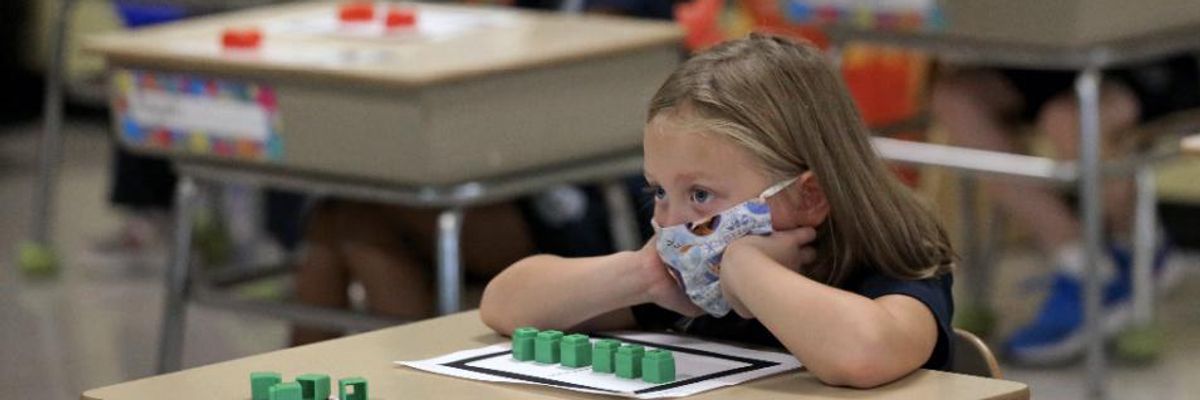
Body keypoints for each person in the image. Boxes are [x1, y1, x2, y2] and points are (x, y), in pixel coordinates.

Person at [480, 34, 957, 389]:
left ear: (809, 196)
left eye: (701, 195)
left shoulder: (896, 265)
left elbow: (862, 355)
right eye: (659, 193)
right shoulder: (686, 275)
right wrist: (642, 274)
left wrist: (747, 269)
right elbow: (504, 305)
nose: (671, 221)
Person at [931, 57, 1199, 365]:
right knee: (956, 97)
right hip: (1048, 51)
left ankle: (1136, 249)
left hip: (1148, 52)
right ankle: (1080, 260)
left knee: (1072, 116)